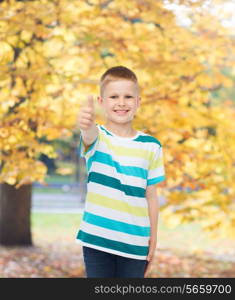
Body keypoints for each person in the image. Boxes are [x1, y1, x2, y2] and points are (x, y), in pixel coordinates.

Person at [76, 66, 166, 278]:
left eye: (128, 96)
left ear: (138, 102)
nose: (121, 102)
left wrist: (153, 236)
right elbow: (88, 134)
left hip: (135, 242)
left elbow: (151, 195)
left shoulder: (151, 145)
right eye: (114, 96)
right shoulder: (98, 138)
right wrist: (86, 124)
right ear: (101, 102)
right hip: (97, 240)